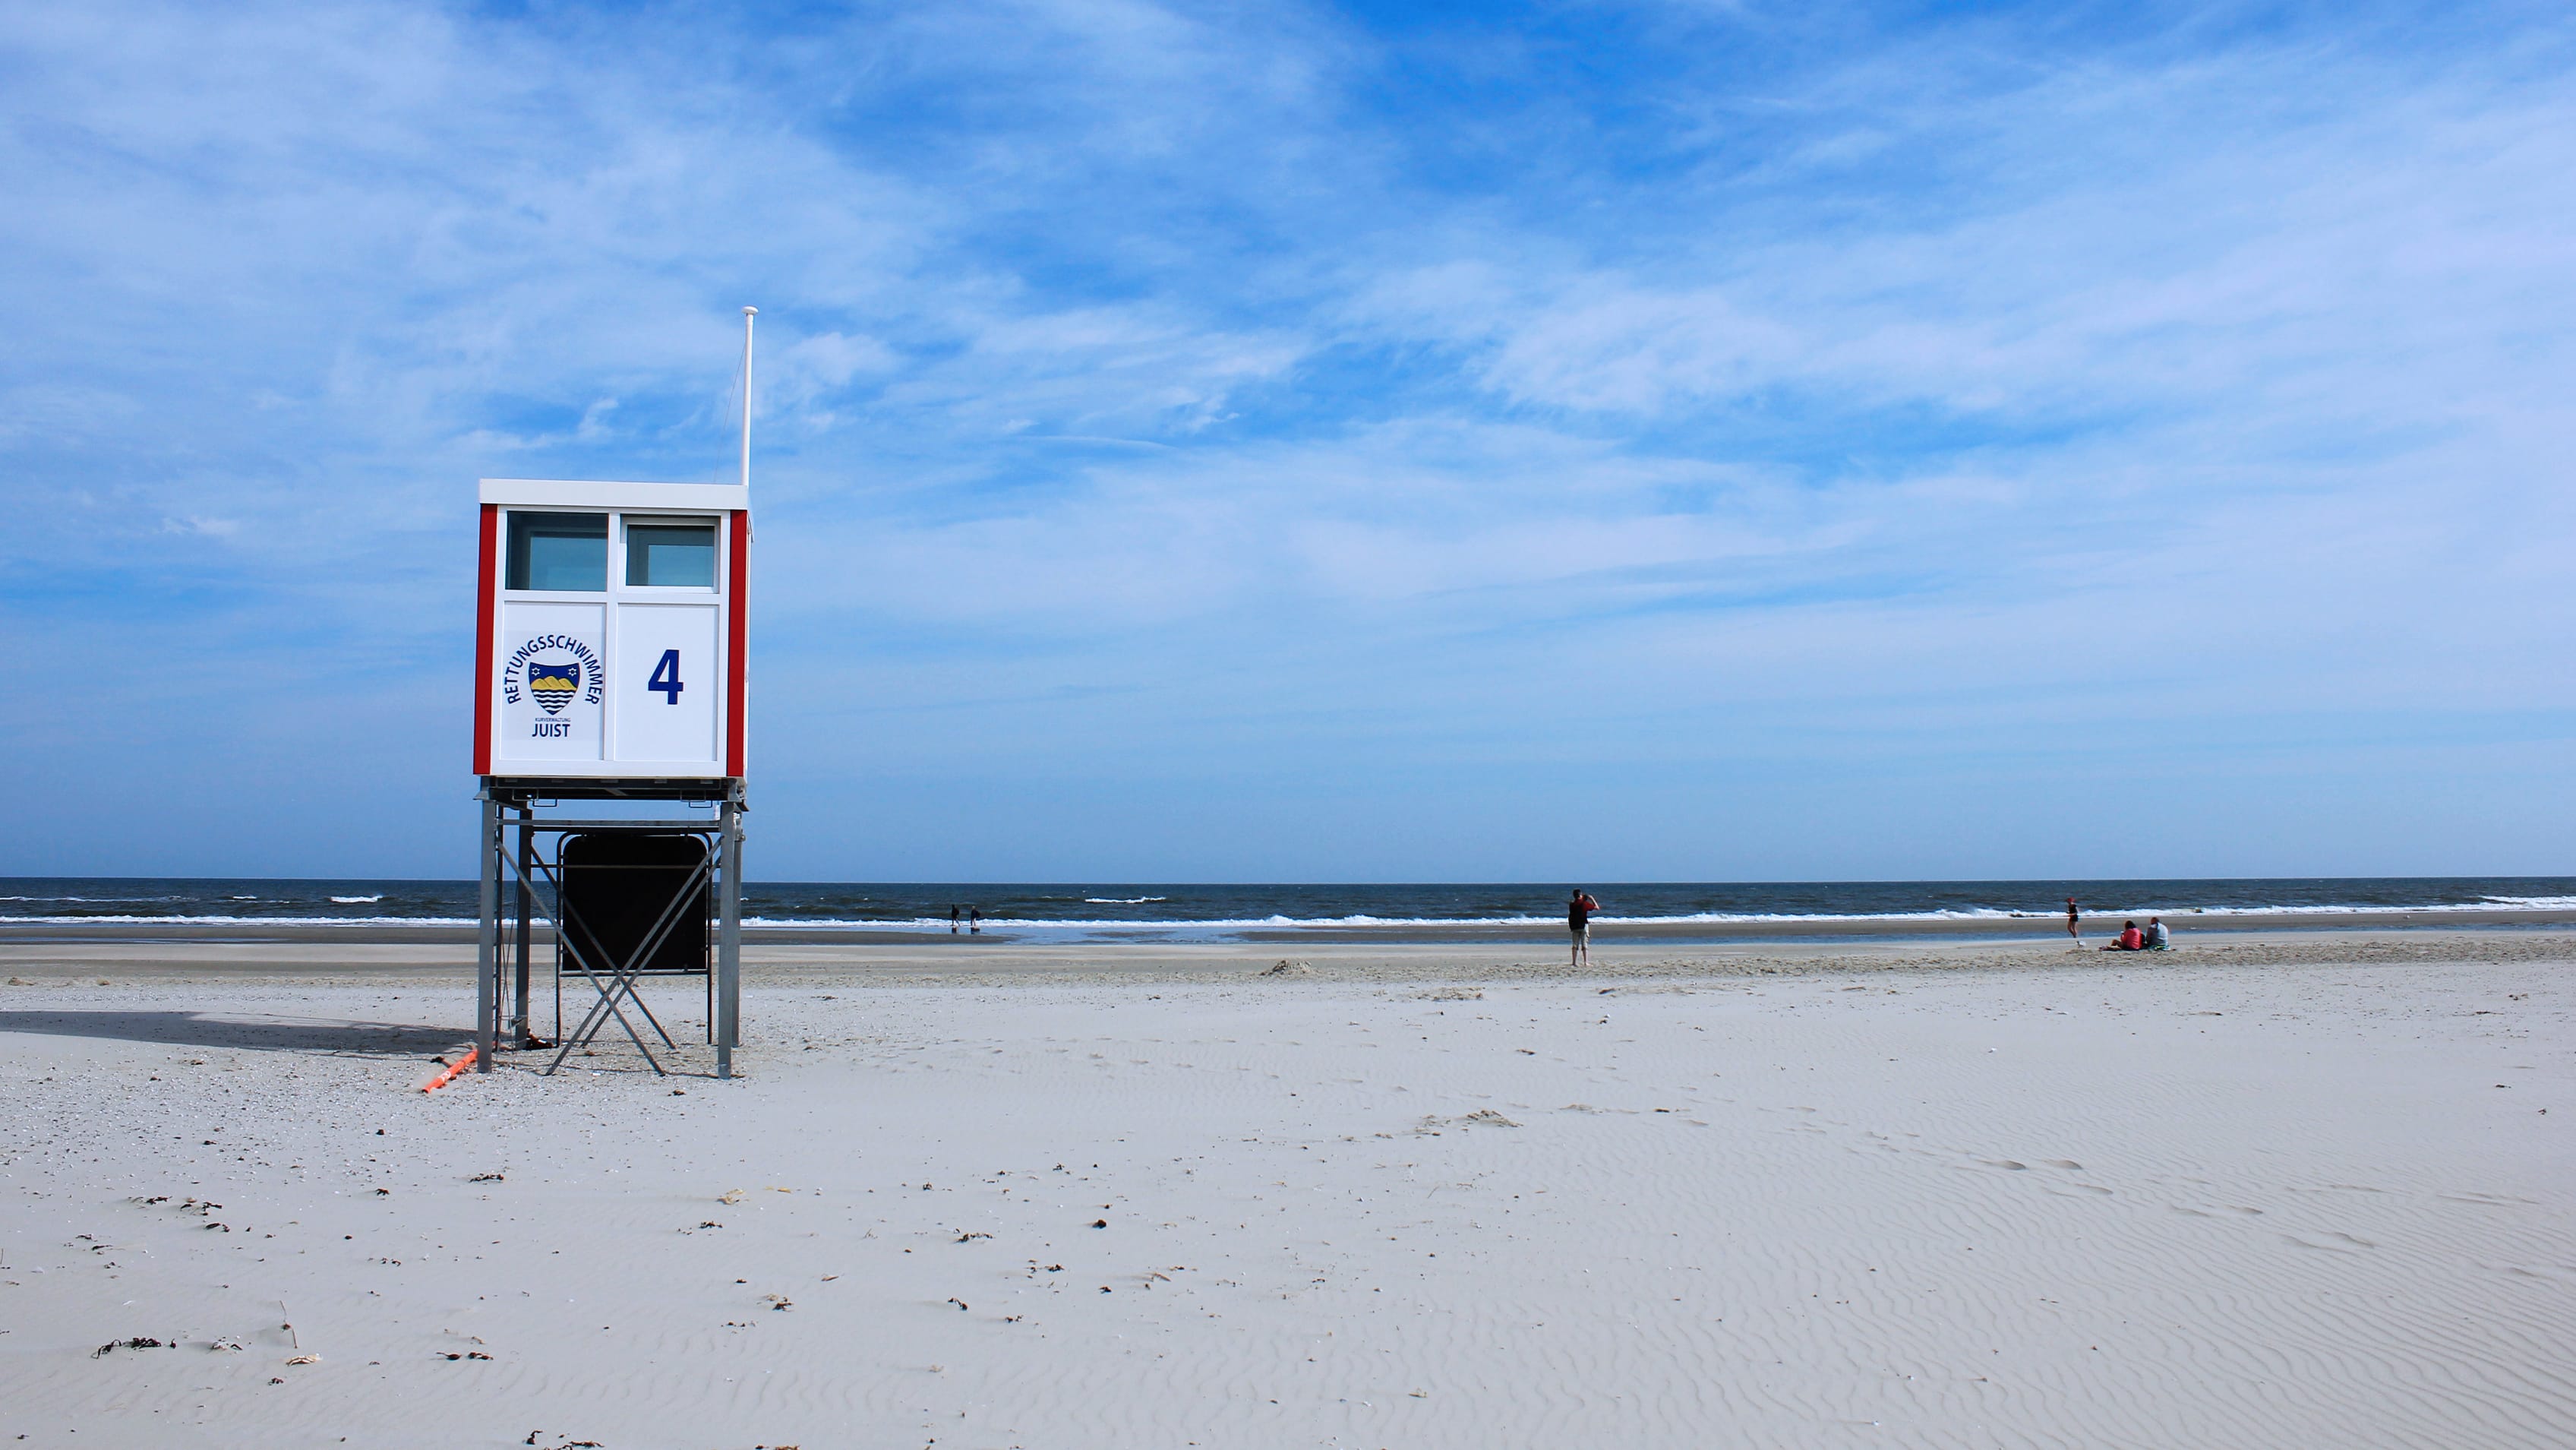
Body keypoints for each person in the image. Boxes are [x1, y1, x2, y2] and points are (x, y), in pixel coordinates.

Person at [1568, 889, 1601, 967]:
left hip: (1574, 926)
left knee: (1575, 945)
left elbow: (1574, 902)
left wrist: (1583, 898)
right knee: (1584, 944)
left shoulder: (1572, 904)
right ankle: (1585, 962)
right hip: (1583, 925)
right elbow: (1597, 908)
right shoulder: (1584, 904)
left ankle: (1574, 962)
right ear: (1580, 895)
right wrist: (1592, 899)